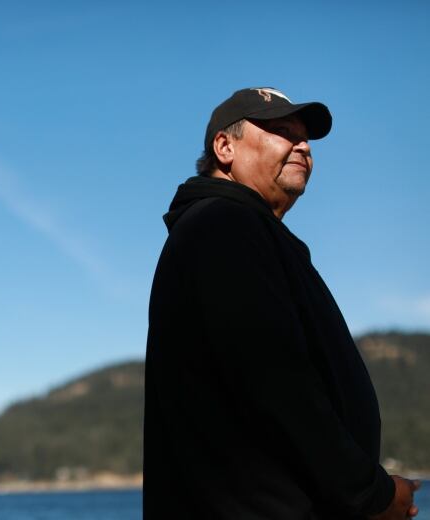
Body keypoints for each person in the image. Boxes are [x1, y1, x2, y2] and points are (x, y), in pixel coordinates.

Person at [143, 87, 420, 519]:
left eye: (305, 137)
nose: (303, 146)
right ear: (224, 147)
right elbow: (277, 383)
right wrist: (373, 494)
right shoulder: (222, 226)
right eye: (281, 131)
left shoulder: (243, 232)